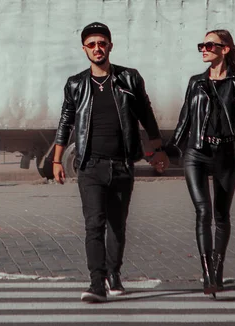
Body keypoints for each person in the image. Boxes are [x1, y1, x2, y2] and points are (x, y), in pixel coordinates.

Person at [53, 22, 168, 303]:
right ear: (84, 50)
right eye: (91, 45)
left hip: (122, 164)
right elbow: (66, 122)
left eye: (102, 43)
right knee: (94, 225)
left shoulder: (129, 79)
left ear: (110, 46)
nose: (97, 49)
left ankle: (114, 275)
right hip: (90, 165)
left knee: (118, 224)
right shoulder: (76, 84)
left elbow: (146, 115)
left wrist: (158, 150)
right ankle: (96, 283)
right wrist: (56, 160)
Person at [168, 30, 235, 295]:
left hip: (225, 153)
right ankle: (207, 275)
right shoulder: (196, 83)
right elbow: (184, 120)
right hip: (196, 153)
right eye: (201, 45)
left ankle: (218, 266)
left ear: (224, 50)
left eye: (209, 45)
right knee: (203, 212)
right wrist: (168, 151)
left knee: (221, 215)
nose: (203, 49)